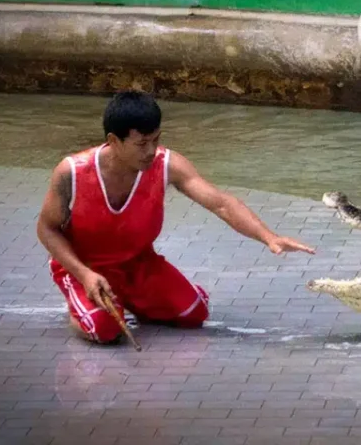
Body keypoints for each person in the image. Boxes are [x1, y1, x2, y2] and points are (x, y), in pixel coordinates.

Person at [36, 90, 315, 344]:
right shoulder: (71, 171)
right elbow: (47, 229)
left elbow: (221, 204)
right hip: (85, 265)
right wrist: (84, 273)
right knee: (105, 329)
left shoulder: (167, 164)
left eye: (156, 140)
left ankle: (132, 299)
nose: (151, 151)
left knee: (194, 314)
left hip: (138, 263)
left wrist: (269, 237)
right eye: (141, 143)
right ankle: (80, 309)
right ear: (113, 141)